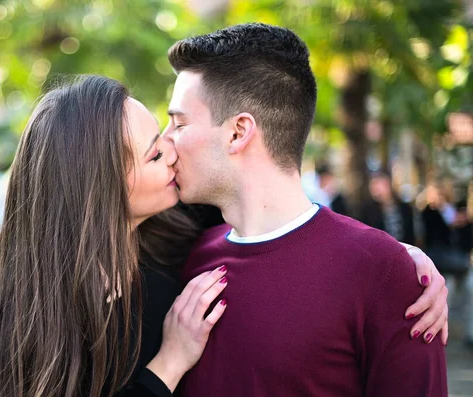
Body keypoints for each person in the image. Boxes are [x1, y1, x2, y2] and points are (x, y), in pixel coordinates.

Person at [0, 76, 448, 396]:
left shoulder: (180, 234)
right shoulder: (20, 315)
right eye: (152, 153)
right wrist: (168, 363)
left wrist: (396, 258)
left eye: (167, 133)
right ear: (98, 187)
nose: (170, 151)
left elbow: (281, 227)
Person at [163, 23, 448, 396]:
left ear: (238, 132)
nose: (165, 140)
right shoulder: (185, 254)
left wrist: (394, 262)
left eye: (179, 123)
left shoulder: (386, 273)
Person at [361, 171, 417, 245]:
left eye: (379, 186)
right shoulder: (369, 210)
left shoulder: (404, 207)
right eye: (373, 187)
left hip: (404, 249)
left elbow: (410, 233)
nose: (376, 191)